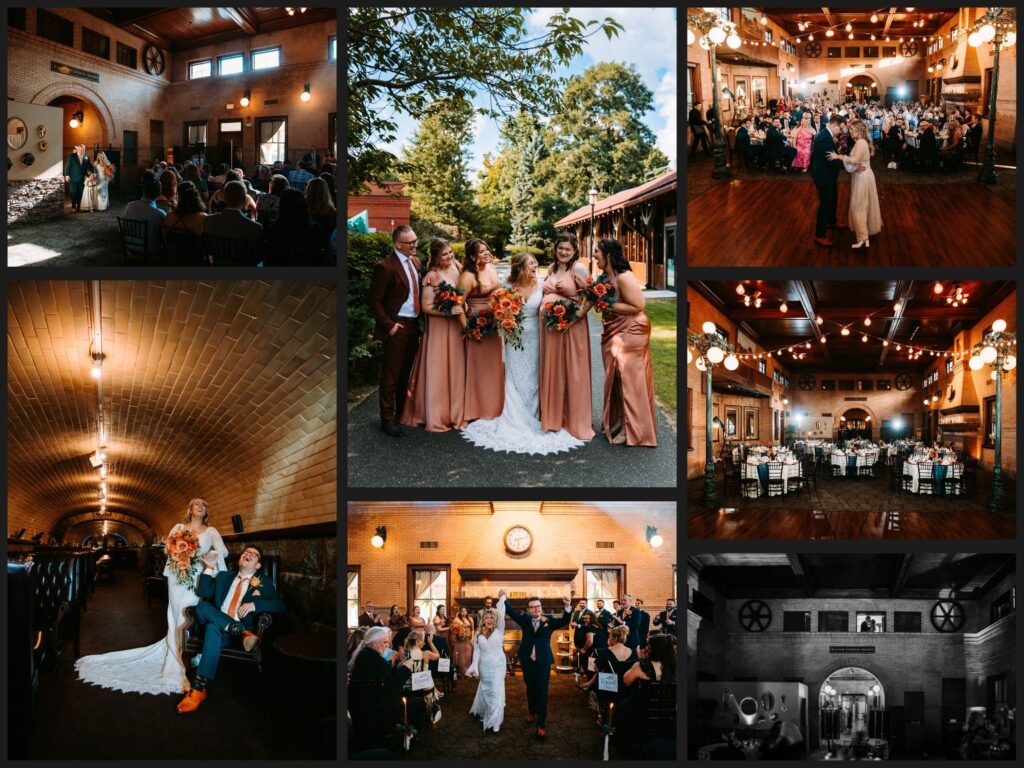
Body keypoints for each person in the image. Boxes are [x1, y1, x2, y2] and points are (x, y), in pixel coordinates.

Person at [76, 499, 228, 695]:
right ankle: (177, 655)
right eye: (197, 504)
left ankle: (190, 654)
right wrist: (179, 553)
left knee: (191, 616)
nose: (201, 506)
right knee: (177, 615)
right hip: (178, 579)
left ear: (206, 511)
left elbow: (223, 550)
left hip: (198, 579)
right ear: (189, 509)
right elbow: (167, 548)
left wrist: (206, 556)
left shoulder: (212, 531)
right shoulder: (179, 527)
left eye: (205, 505)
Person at [460, 251, 584, 453]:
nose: (535, 267)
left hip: (535, 336)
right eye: (530, 265)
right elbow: (496, 307)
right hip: (513, 339)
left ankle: (534, 415)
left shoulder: (543, 285)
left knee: (533, 374)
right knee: (515, 375)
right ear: (520, 268)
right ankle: (514, 416)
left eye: (535, 263)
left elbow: (560, 299)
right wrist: (504, 319)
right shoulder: (507, 286)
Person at [177, 544, 286, 712]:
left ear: (257, 565)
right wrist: (209, 567)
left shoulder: (264, 583)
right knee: (203, 608)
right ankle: (239, 631)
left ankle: (198, 689)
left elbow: (281, 605)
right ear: (240, 559)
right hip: (237, 633)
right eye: (245, 552)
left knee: (212, 626)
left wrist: (254, 605)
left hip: (234, 632)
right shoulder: (224, 576)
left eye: (254, 554)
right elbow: (203, 592)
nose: (248, 554)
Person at [595, 238, 657, 447]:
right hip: (614, 330)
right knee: (618, 379)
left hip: (632, 329)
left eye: (597, 252)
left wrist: (607, 304)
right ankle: (621, 420)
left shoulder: (624, 277)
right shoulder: (604, 277)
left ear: (608, 255)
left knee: (628, 380)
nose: (594, 256)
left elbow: (638, 306)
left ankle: (632, 429)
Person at [400, 238, 466, 432]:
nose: (450, 256)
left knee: (455, 367)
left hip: (455, 327)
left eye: (451, 252)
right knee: (438, 368)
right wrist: (447, 311)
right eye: (445, 254)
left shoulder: (456, 267)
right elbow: (427, 307)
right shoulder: (433, 276)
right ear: (436, 257)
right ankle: (435, 414)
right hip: (439, 327)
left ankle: (456, 412)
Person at [539, 233, 594, 440]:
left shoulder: (578, 268)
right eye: (560, 248)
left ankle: (575, 419)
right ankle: (554, 417)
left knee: (573, 369)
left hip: (572, 327)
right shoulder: (552, 268)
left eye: (567, 249)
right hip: (550, 329)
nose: (563, 252)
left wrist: (574, 318)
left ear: (574, 251)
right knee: (554, 368)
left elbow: (593, 296)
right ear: (556, 248)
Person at [369, 225, 422, 437]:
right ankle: (387, 419)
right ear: (398, 244)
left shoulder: (416, 262)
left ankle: (401, 414)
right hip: (397, 325)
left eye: (415, 240)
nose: (415, 245)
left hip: (414, 324)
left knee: (405, 375)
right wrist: (390, 326)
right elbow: (374, 301)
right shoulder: (385, 267)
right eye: (410, 242)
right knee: (390, 376)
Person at [502, 592, 572, 737]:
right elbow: (511, 612)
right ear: (528, 609)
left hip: (543, 662)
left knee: (542, 692)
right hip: (527, 661)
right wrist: (503, 598)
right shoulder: (525, 620)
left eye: (538, 607)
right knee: (530, 688)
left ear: (541, 607)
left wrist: (567, 606)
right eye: (533, 607)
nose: (536, 609)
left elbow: (565, 620)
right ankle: (532, 712)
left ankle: (541, 724)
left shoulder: (550, 620)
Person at [456, 238, 504, 424]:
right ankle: (477, 409)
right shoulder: (467, 276)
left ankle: (494, 407)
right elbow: (457, 305)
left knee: (493, 367)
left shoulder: (491, 269)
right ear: (472, 256)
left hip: (493, 325)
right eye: (481, 251)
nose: (487, 253)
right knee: (478, 369)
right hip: (476, 326)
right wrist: (468, 329)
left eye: (487, 250)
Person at [348, 626, 404, 753]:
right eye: (385, 642)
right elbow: (392, 687)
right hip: (376, 712)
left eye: (388, 642)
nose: (388, 645)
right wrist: (405, 668)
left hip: (365, 708)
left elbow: (386, 678)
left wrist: (396, 667)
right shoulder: (375, 660)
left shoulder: (364, 656)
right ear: (374, 643)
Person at [827, 120, 882, 249]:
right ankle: (864, 238)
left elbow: (855, 160)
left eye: (852, 131)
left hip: (862, 177)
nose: (850, 133)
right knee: (862, 206)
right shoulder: (862, 142)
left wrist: (838, 156)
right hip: (863, 175)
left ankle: (862, 238)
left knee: (859, 207)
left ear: (858, 130)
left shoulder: (861, 143)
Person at [811, 114, 863, 248]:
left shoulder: (827, 135)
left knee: (833, 199)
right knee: (824, 204)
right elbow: (832, 160)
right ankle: (819, 235)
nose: (841, 132)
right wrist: (852, 168)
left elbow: (834, 156)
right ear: (833, 125)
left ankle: (831, 221)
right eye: (840, 129)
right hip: (823, 176)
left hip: (829, 175)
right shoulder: (824, 138)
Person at [466, 590, 508, 732]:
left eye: (491, 618)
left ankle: (495, 721)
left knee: (496, 690)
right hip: (484, 666)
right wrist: (474, 667)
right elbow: (476, 652)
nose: (489, 620)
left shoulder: (499, 630)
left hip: (498, 664)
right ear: (483, 620)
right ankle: (485, 711)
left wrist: (502, 599)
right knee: (487, 689)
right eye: (487, 618)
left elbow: (501, 614)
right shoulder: (478, 634)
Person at [202, 180, 264, 257]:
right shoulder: (255, 227)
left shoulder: (208, 220)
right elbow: (258, 256)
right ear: (244, 199)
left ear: (224, 198)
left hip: (218, 264)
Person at [121, 177, 167, 256]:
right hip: (150, 250)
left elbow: (122, 227)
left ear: (143, 192)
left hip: (130, 246)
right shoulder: (160, 214)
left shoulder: (130, 205)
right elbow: (164, 236)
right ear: (159, 194)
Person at [64, 144, 93, 212]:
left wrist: (92, 173)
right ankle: (74, 206)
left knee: (81, 192)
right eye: (81, 150)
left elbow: (89, 166)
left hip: (82, 178)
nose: (82, 151)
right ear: (78, 149)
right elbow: (67, 166)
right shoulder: (72, 156)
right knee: (73, 192)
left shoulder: (86, 156)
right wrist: (67, 175)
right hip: (73, 178)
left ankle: (79, 206)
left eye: (83, 150)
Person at [450, 606, 475, 676]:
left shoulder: (470, 619)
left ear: (467, 612)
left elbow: (472, 629)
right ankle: (460, 672)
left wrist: (472, 638)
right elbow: (453, 631)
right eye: (462, 611)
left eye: (465, 611)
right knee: (461, 656)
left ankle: (468, 670)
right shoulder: (456, 619)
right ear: (460, 612)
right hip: (460, 640)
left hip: (468, 640)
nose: (464, 612)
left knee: (468, 656)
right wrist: (458, 634)